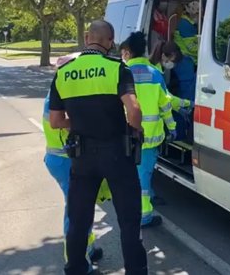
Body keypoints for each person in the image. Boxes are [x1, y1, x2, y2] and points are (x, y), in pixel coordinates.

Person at [49, 20, 147, 275]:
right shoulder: (116, 68)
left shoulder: (64, 72)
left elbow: (56, 120)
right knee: (128, 220)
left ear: (87, 38)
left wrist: (81, 123)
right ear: (110, 42)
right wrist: (135, 131)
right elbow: (134, 109)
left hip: (82, 156)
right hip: (116, 153)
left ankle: (76, 268)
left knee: (79, 221)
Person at [42, 53, 110, 263]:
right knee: (76, 211)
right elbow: (59, 122)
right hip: (65, 160)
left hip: (60, 158)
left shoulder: (56, 93)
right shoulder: (62, 96)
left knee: (83, 207)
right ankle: (76, 259)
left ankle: (87, 249)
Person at [120, 32, 176, 225]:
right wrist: (172, 127)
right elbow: (165, 104)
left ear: (128, 52)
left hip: (125, 135)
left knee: (128, 174)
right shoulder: (155, 74)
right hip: (150, 137)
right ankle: (144, 216)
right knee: (143, 177)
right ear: (144, 50)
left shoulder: (121, 72)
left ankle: (128, 210)